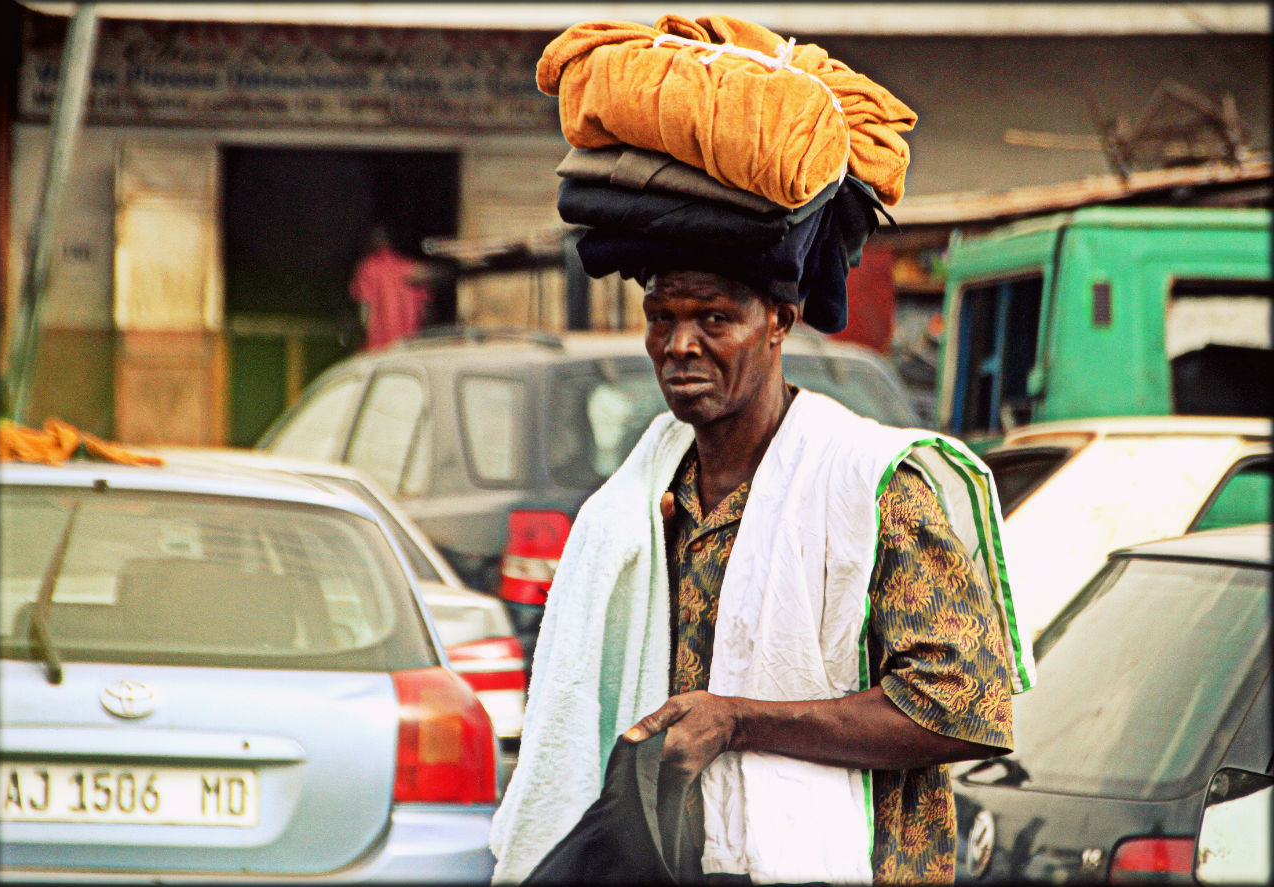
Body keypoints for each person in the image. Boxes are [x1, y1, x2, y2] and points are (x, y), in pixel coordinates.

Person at [490, 267, 1036, 885]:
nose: (679, 344)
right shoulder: (640, 504)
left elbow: (966, 707)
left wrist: (738, 720)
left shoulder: (870, 488)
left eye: (714, 319)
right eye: (661, 317)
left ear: (779, 321)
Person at [348, 225, 434, 350]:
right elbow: (425, 310)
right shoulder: (411, 267)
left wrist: (363, 335)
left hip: (380, 346)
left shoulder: (368, 267)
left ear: (373, 241)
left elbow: (364, 309)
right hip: (409, 344)